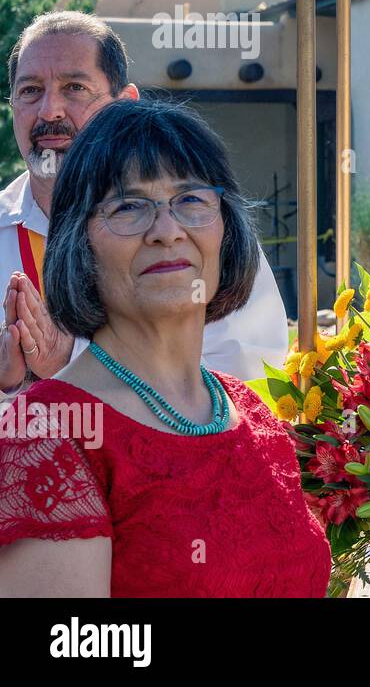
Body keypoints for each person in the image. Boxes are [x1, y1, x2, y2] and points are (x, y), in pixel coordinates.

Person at [0, 99, 329, 597]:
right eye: (128, 206)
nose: (167, 230)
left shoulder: (249, 412)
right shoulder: (46, 435)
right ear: (78, 244)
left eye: (191, 199)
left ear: (227, 228)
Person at [0, 11, 288, 399]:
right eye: (30, 90)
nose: (50, 110)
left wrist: (71, 362)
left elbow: (248, 380)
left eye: (74, 88)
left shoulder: (195, 228)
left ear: (125, 104)